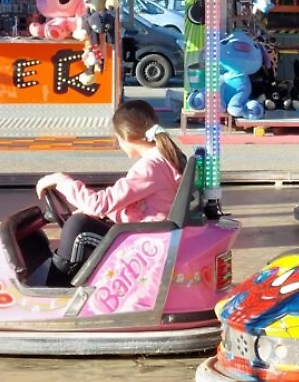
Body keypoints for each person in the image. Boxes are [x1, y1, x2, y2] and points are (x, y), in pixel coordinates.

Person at [36, 99, 187, 276]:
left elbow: (100, 204)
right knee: (82, 220)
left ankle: (55, 286)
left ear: (125, 137)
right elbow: (133, 207)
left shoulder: (150, 167)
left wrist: (61, 181)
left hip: (144, 243)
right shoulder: (163, 159)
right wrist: (95, 213)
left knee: (77, 226)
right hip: (151, 236)